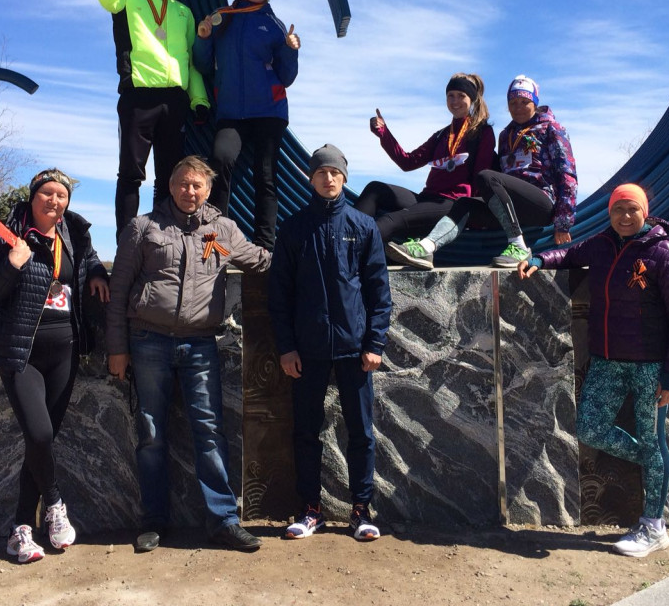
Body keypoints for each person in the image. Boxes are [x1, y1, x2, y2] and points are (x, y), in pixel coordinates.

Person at [518, 183, 669, 557]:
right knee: (590, 429)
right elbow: (569, 253)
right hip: (607, 361)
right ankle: (668, 463)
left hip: (651, 367)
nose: (625, 216)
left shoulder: (666, 253)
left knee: (652, 441)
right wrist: (539, 260)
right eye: (618, 209)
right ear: (609, 213)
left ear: (645, 211)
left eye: (632, 209)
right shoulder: (601, 245)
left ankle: (654, 526)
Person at [106, 155, 269, 552]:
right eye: (183, 183)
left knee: (209, 430)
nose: (189, 191)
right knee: (151, 434)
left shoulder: (222, 231)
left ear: (208, 191)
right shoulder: (143, 227)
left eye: (197, 185)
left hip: (200, 344)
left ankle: (223, 521)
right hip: (148, 341)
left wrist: (302, 256)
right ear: (170, 186)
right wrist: (117, 349)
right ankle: (154, 521)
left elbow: (260, 261)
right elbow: (118, 291)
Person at [0, 168, 110, 564]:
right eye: (47, 193)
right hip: (21, 353)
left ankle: (20, 530)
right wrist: (13, 263)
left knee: (40, 444)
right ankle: (54, 503)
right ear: (33, 197)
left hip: (65, 350)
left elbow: (89, 259)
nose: (55, 200)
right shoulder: (10, 236)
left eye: (61, 195)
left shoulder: (74, 233)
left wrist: (97, 272)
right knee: (40, 434)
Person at [52, 0, 210, 240]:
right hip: (139, 98)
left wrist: (199, 99)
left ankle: (164, 241)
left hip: (175, 101)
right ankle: (127, 242)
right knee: (130, 174)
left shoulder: (183, 12)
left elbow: (191, 62)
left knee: (170, 177)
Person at [268, 144, 392, 541]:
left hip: (356, 350)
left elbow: (379, 292)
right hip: (307, 351)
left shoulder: (363, 226)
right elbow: (279, 295)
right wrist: (287, 347)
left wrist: (375, 343)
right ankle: (310, 510)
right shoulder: (293, 228)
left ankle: (361, 510)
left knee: (362, 432)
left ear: (344, 177)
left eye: (335, 172)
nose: (328, 178)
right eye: (321, 172)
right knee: (306, 432)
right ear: (311, 178)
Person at [386, 74, 577, 269]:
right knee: (464, 203)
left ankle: (519, 247)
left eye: (524, 102)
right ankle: (426, 248)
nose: (518, 107)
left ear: (535, 102)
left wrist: (563, 222)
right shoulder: (506, 135)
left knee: (485, 177)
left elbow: (567, 175)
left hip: (540, 203)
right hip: (511, 206)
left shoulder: (551, 128)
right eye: (513, 103)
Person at [194, 0, 300, 250]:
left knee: (265, 176)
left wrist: (290, 50)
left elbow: (286, 76)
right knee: (220, 162)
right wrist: (203, 38)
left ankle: (265, 247)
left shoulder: (274, 26)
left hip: (269, 111)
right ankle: (214, 243)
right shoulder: (222, 16)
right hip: (231, 112)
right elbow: (203, 66)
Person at [353, 73, 495, 246]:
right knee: (375, 189)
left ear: (471, 99)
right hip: (426, 199)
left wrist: (474, 219)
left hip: (452, 204)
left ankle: (349, 254)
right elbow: (407, 162)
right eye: (450, 95)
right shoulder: (441, 135)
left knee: (390, 221)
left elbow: (482, 176)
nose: (455, 101)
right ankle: (345, 240)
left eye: (461, 96)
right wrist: (384, 133)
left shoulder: (482, 132)